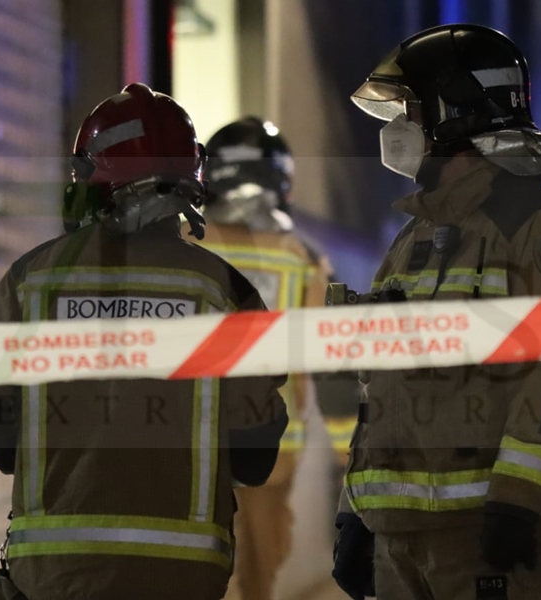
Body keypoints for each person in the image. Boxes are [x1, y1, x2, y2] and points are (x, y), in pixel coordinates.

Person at [0, 83, 289, 600]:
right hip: (185, 575)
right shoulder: (223, 290)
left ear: (98, 178)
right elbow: (255, 455)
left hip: (54, 574)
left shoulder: (36, 278)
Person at [329, 24, 541, 600]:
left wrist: (517, 502)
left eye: (408, 109)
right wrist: (353, 511)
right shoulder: (412, 237)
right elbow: (378, 386)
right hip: (397, 538)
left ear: (456, 112)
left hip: (487, 533)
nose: (398, 128)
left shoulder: (539, 226)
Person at [191, 117, 342, 600]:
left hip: (186, 438)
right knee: (259, 577)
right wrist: (347, 449)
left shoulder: (181, 246)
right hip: (272, 447)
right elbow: (332, 358)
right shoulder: (303, 258)